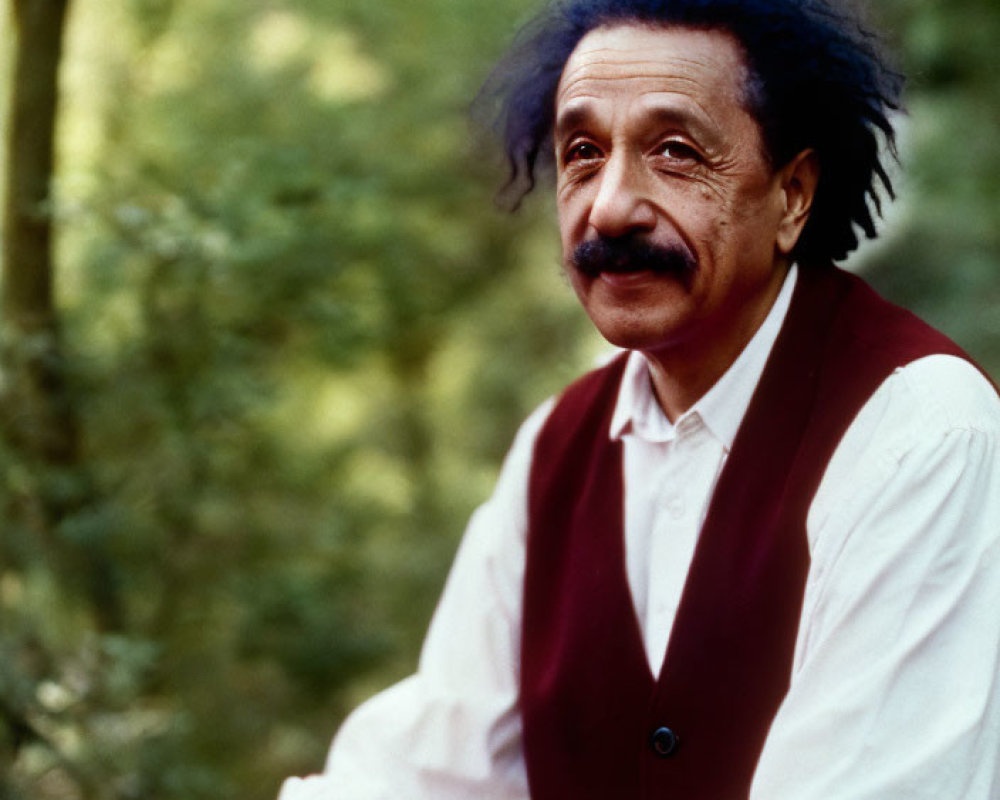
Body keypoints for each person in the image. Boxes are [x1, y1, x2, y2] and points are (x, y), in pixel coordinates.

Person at [278, 0, 1000, 797]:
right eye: (582, 153)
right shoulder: (554, 449)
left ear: (793, 195)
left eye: (676, 151)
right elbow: (435, 771)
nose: (611, 204)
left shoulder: (923, 433)